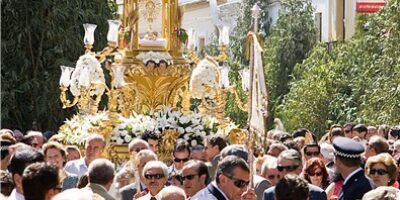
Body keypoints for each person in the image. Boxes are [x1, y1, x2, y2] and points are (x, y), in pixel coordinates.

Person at [262, 149, 327, 200]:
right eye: (280, 168)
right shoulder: (269, 194)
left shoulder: (318, 194)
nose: (284, 172)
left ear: (300, 168)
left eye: (289, 168)